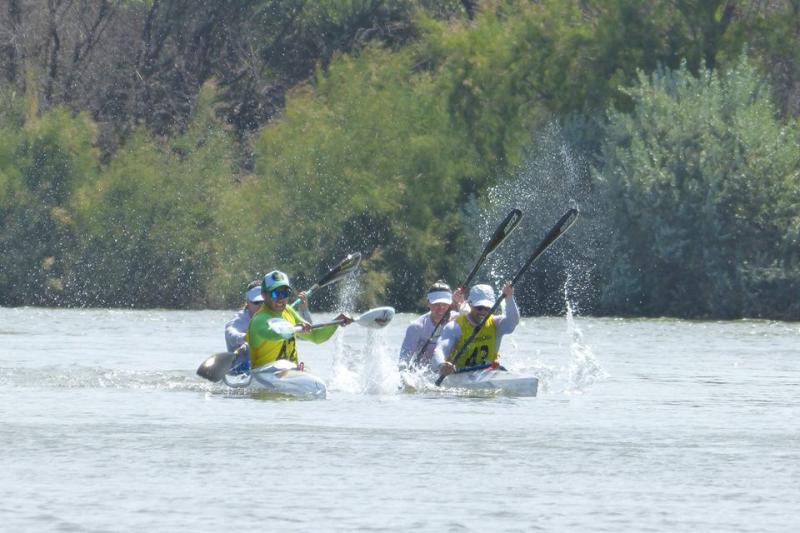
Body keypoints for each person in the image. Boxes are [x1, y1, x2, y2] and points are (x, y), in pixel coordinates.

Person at [246, 270, 352, 369]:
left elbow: (316, 337)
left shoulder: (288, 311)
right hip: (264, 374)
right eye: (275, 293)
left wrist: (336, 321)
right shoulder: (259, 319)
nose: (280, 298)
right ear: (264, 295)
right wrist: (296, 328)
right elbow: (275, 335)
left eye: (285, 293)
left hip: (290, 373)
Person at [433, 281, 519, 378]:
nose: (483, 312)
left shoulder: (496, 324)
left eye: (487, 308)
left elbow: (513, 322)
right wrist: (442, 365)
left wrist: (509, 297)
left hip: (489, 372)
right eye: (479, 308)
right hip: (460, 375)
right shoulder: (454, 327)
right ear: (470, 304)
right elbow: (439, 350)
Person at [224, 279, 312, 374]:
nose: (261, 306)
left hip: (270, 367)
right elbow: (230, 333)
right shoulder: (240, 320)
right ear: (248, 303)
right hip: (240, 369)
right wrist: (246, 338)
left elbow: (306, 336)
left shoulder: (279, 316)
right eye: (256, 302)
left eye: (263, 302)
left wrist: (304, 310)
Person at [398, 280, 464, 372]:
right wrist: (403, 371)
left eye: (444, 304)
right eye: (436, 304)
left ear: (450, 304)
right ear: (428, 303)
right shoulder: (416, 327)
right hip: (423, 373)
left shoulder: (458, 320)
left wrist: (461, 304)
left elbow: (474, 315)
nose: (440, 308)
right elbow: (403, 359)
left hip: (451, 371)